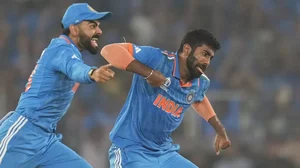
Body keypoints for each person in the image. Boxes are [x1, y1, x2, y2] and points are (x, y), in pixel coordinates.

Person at [0, 3, 114, 168]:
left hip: (46, 141)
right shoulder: (61, 48)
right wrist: (91, 73)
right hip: (23, 134)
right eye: (92, 26)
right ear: (74, 29)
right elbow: (73, 67)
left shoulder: (70, 51)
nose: (99, 31)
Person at [101, 29, 232, 168]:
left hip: (164, 153)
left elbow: (198, 99)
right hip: (131, 149)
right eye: (204, 54)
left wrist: (220, 130)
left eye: (210, 58)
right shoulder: (157, 59)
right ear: (187, 49)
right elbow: (108, 50)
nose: (207, 62)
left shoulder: (201, 82)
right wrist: (148, 73)